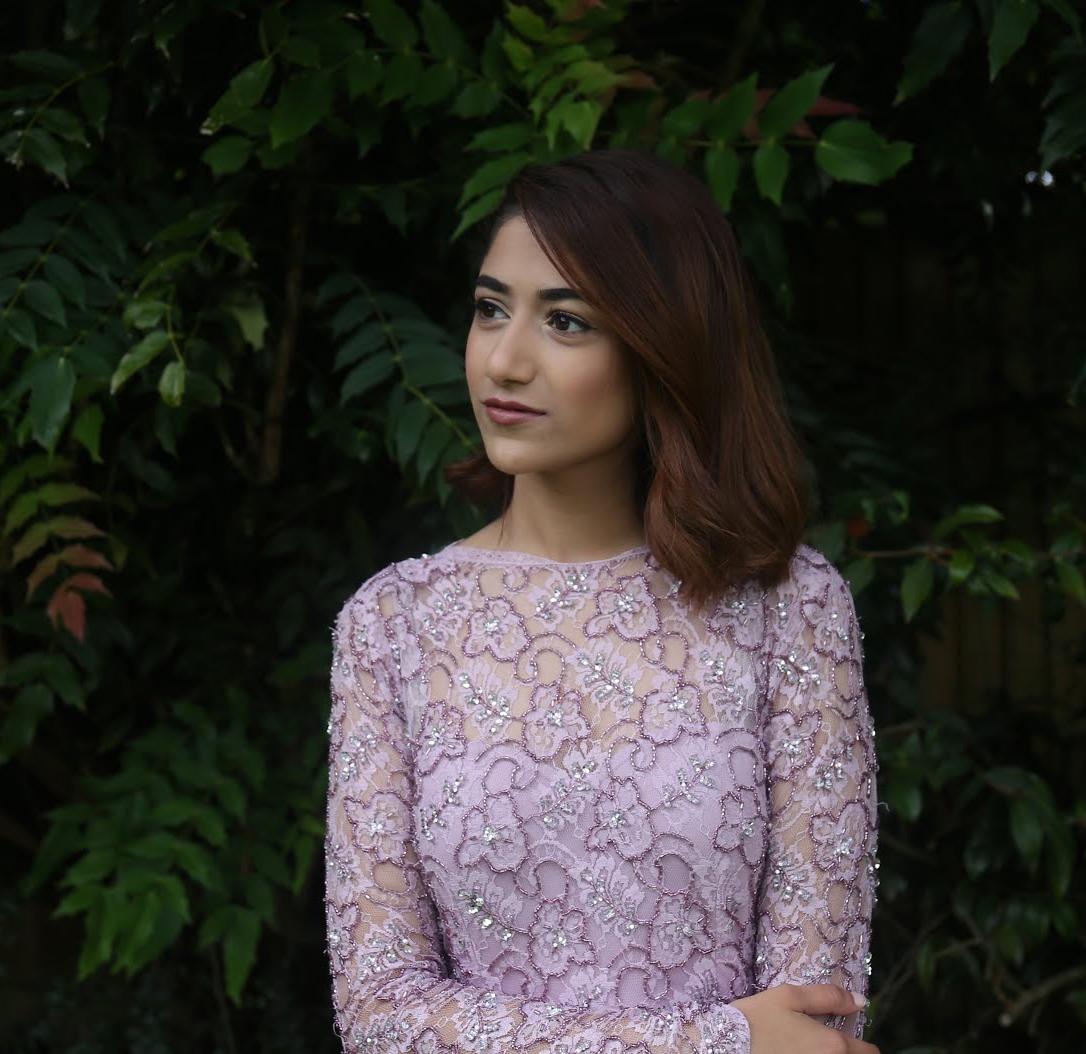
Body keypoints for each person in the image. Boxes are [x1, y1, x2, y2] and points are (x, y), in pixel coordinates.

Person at [325, 150, 878, 1054]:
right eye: (490, 308)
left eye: (566, 321)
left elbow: (815, 1024)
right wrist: (715, 1041)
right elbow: (380, 1014)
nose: (505, 360)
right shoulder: (394, 624)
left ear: (665, 346)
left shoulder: (790, 609)